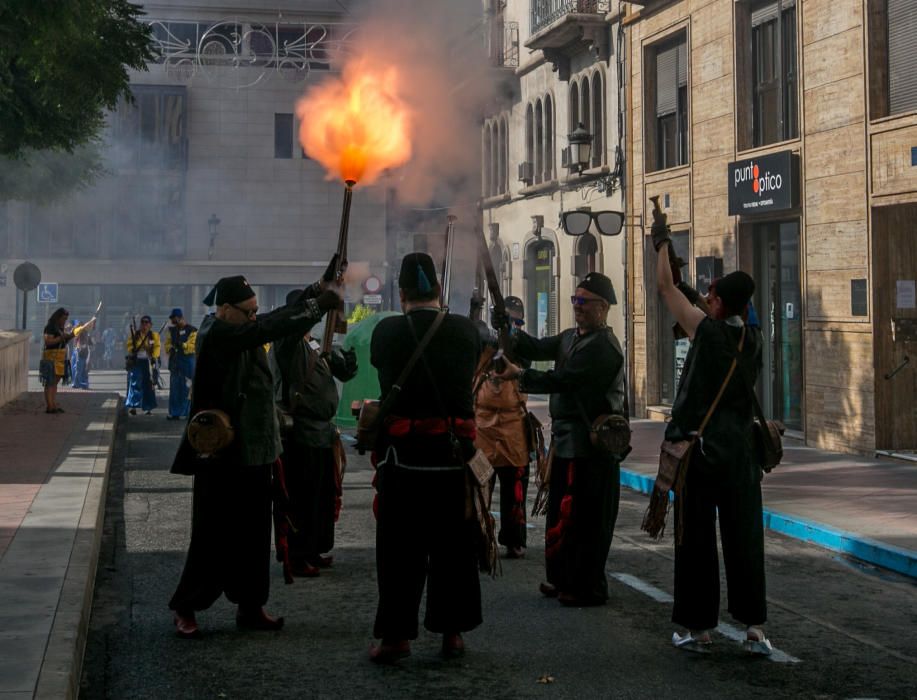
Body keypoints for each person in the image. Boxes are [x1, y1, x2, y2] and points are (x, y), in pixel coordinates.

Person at [168, 271, 341, 639]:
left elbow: (269, 320)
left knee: (254, 534)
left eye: (254, 311)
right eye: (246, 312)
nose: (253, 317)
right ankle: (186, 605)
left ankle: (250, 605)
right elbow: (266, 328)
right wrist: (314, 306)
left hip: (257, 449)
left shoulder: (240, 326)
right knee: (211, 536)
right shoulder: (218, 334)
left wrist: (315, 289)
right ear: (225, 309)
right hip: (221, 453)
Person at [651, 220, 770, 655]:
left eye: (713, 296)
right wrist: (704, 296)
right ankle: (755, 626)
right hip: (742, 455)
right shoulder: (752, 338)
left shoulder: (707, 333)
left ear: (719, 304)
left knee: (696, 540)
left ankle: (698, 628)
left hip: (703, 453)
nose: (709, 300)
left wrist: (661, 243)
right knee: (744, 539)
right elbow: (713, 307)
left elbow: (666, 288)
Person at [368, 252, 482, 663]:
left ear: (401, 294)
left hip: (404, 462)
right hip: (453, 462)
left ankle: (396, 638)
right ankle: (452, 634)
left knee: (400, 555)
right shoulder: (465, 330)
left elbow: (380, 366)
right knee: (453, 551)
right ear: (438, 290)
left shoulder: (386, 333)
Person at [495, 272, 626, 607]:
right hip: (568, 441)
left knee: (586, 519)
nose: (578, 307)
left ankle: (587, 587)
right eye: (575, 300)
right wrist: (508, 327)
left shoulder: (604, 347)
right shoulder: (569, 337)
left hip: (592, 446)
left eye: (584, 302)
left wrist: (520, 375)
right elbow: (535, 347)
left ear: (603, 307)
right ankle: (563, 578)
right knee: (561, 513)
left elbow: (564, 380)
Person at [272, 290, 358, 578]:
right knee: (301, 499)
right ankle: (297, 554)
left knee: (320, 497)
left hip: (320, 432)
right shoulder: (287, 342)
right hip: (300, 432)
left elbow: (334, 373)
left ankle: (313, 549)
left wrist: (344, 366)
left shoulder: (311, 346)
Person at [472, 296, 531, 559]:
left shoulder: (519, 345)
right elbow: (471, 339)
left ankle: (513, 539)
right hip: (482, 425)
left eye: (516, 318)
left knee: (514, 490)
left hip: (512, 427)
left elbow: (517, 358)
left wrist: (508, 332)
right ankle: (478, 537)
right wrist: (474, 313)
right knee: (479, 486)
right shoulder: (482, 343)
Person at [39, 308, 96, 413]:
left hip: (60, 357)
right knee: (50, 383)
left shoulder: (59, 327)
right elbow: (48, 341)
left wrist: (79, 330)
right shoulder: (50, 327)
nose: (64, 321)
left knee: (54, 382)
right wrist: (61, 338)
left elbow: (67, 337)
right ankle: (50, 406)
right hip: (51, 357)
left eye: (66, 319)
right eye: (63, 318)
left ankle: (53, 404)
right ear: (58, 317)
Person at [164, 308, 198, 420]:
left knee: (186, 388)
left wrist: (182, 345)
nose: (173, 321)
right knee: (174, 388)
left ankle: (184, 412)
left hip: (187, 363)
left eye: (174, 319)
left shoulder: (192, 330)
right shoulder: (171, 330)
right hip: (175, 363)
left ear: (180, 318)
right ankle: (174, 412)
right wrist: (171, 349)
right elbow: (167, 344)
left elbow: (192, 346)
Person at [125, 316, 160, 415]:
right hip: (136, 361)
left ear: (150, 324)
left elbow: (157, 348)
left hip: (148, 362)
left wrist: (153, 355)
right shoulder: (135, 334)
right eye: (143, 322)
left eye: (146, 322)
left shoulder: (154, 335)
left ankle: (148, 407)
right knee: (135, 382)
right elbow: (129, 345)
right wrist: (135, 349)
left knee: (149, 384)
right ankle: (133, 406)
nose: (144, 325)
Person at [72, 321, 94, 389]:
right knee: (79, 368)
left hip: (85, 352)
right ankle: (76, 384)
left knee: (85, 369)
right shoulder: (78, 331)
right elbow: (76, 342)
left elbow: (91, 344)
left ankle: (84, 384)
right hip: (79, 351)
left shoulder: (87, 333)